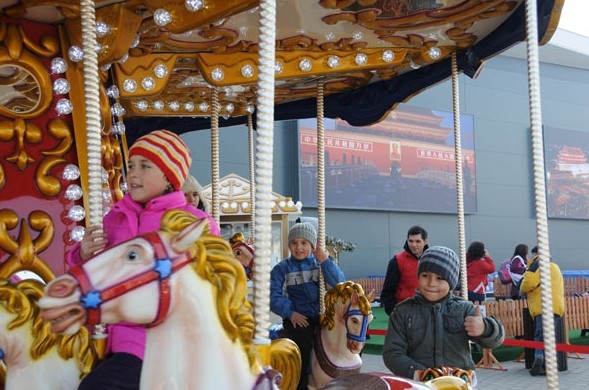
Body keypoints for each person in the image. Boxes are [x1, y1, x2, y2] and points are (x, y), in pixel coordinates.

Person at [67, 129, 220, 390]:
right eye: (131, 166)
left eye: (145, 166)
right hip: (107, 332)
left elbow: (213, 279)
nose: (133, 173)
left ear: (169, 178)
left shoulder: (194, 223)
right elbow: (93, 276)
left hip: (160, 338)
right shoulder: (115, 217)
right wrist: (82, 255)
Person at [382, 246, 505, 379]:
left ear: (451, 282)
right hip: (419, 384)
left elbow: (495, 340)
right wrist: (418, 373)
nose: (431, 283)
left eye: (439, 278)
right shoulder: (403, 311)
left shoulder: (464, 309)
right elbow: (392, 352)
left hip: (458, 382)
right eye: (425, 276)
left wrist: (485, 328)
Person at [270, 222, 345, 390]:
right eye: (294, 243)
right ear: (289, 245)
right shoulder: (282, 269)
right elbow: (273, 295)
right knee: (304, 351)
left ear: (312, 245)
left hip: (321, 316)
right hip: (297, 319)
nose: (299, 247)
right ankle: (301, 384)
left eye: (304, 243)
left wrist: (325, 261)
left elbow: (339, 283)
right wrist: (290, 313)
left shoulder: (319, 264)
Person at [519, 246, 565, 376]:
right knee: (550, 336)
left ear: (536, 253)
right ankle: (547, 366)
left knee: (540, 335)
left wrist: (522, 289)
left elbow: (528, 283)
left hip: (542, 306)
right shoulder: (555, 266)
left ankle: (539, 357)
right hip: (556, 307)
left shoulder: (536, 265)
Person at [381, 226, 429, 316]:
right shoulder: (396, 261)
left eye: (418, 241)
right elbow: (387, 291)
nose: (414, 245)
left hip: (427, 312)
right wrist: (394, 313)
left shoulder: (432, 259)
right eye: (411, 241)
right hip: (404, 312)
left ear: (425, 242)